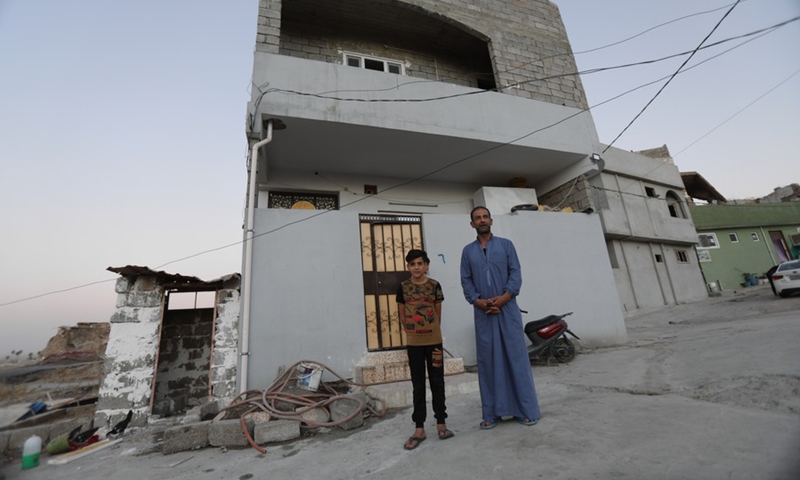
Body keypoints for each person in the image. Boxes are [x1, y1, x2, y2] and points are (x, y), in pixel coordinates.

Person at [460, 206, 541, 429]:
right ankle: (491, 413)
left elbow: (515, 272)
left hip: (508, 310)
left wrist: (504, 298)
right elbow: (465, 280)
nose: (482, 220)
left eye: (485, 217)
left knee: (516, 358)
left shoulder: (506, 245)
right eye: (477, 218)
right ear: (472, 224)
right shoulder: (468, 252)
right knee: (488, 362)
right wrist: (478, 301)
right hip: (483, 312)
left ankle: (527, 409)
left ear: (491, 221)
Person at [396, 249, 454, 450]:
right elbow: (402, 315)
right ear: (408, 267)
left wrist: (432, 331)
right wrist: (411, 331)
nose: (416, 267)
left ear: (427, 265)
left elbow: (438, 313)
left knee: (438, 382)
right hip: (414, 344)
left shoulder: (435, 286)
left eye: (420, 263)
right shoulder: (403, 288)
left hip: (434, 342)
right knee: (418, 385)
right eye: (412, 264)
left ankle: (441, 423)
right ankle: (419, 428)